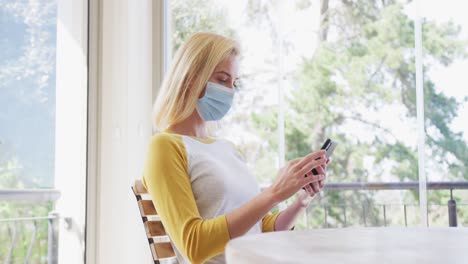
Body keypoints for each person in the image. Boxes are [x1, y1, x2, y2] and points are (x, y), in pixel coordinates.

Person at [142, 32, 328, 264]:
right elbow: (193, 244)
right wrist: (273, 194)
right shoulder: (165, 146)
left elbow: (261, 228)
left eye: (234, 83)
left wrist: (301, 200)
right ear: (191, 78)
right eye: (222, 80)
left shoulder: (227, 148)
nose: (229, 91)